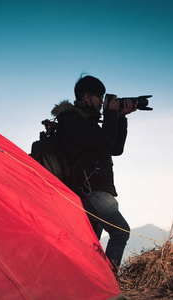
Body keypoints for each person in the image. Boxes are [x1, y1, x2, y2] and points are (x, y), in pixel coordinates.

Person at [51, 75, 137, 269]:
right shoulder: (72, 121)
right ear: (87, 96)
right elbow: (105, 141)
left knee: (91, 248)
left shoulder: (88, 122)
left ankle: (92, 288)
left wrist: (120, 118)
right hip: (89, 191)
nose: (102, 102)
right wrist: (111, 115)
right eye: (100, 96)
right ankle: (110, 285)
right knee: (120, 232)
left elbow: (115, 148)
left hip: (97, 191)